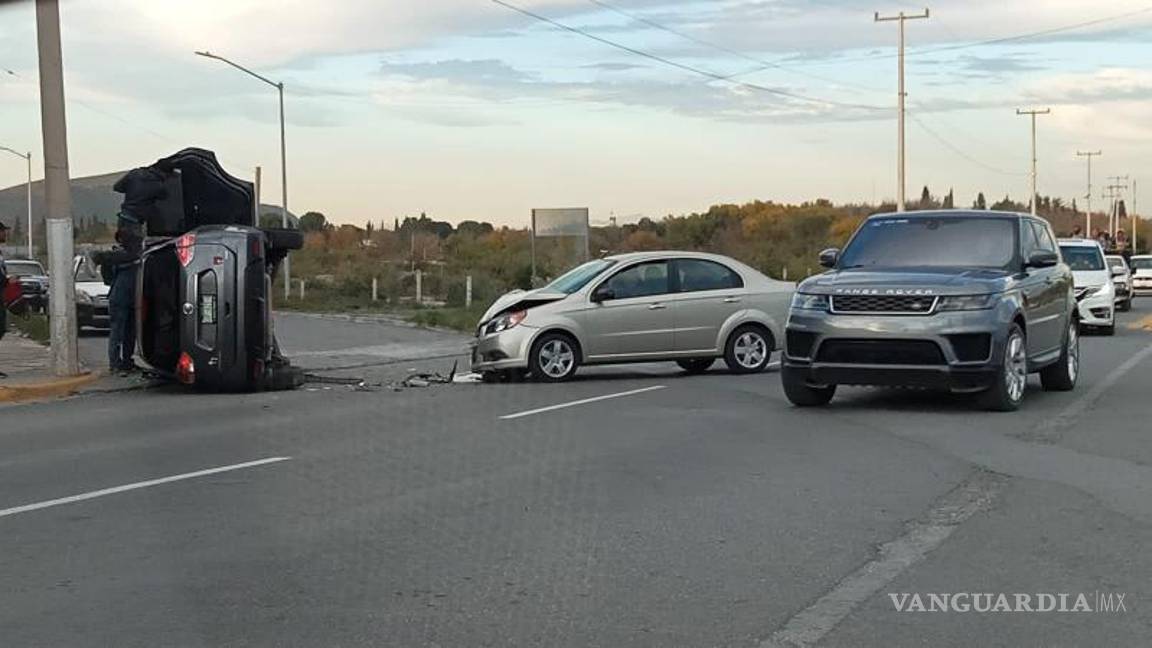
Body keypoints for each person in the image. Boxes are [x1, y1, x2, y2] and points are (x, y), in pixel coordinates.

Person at [94, 228, 143, 373]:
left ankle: (125, 362)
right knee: (119, 332)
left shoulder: (121, 256)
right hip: (121, 298)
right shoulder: (122, 255)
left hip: (129, 297)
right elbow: (107, 275)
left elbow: (107, 276)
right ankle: (116, 363)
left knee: (128, 332)